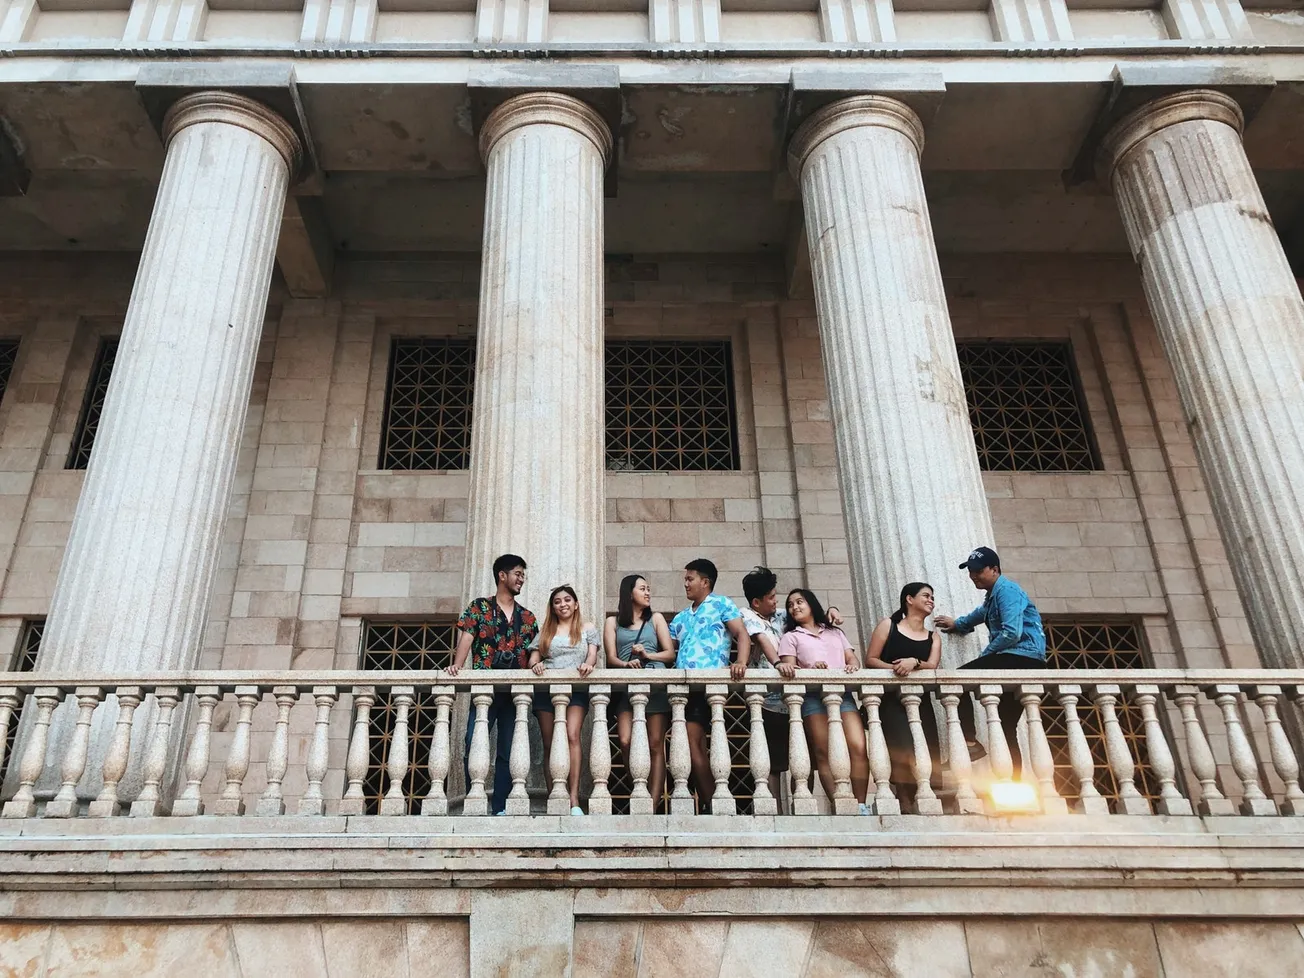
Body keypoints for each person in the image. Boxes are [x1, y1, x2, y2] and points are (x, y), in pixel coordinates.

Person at [934, 546, 1047, 778]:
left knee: (958, 679)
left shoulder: (1008, 591)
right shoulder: (994, 595)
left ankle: (970, 741)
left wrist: (987, 656)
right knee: (1006, 727)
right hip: (1017, 659)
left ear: (994, 569)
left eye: (978, 570)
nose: (973, 576)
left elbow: (1011, 633)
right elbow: (980, 613)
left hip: (1022, 657)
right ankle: (1015, 784)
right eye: (970, 571)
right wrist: (959, 623)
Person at [449, 553, 537, 816]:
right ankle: (473, 800)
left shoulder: (528, 617)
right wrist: (457, 665)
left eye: (523, 574)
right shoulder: (479, 607)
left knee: (509, 751)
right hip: (484, 691)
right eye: (517, 573)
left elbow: (534, 650)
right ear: (502, 575)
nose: (521, 579)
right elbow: (466, 638)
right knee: (472, 742)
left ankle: (500, 806)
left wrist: (536, 665)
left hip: (514, 693)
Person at [668, 558, 750, 813]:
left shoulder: (722, 603)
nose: (686, 584)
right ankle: (711, 803)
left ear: (705, 582)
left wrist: (741, 662)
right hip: (685, 688)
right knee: (692, 747)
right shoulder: (681, 617)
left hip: (713, 686)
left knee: (714, 744)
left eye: (690, 579)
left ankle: (716, 804)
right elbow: (668, 650)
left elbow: (742, 635)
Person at [778, 588, 871, 814]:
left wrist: (852, 666)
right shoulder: (791, 636)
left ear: (811, 604)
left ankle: (860, 805)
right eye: (791, 605)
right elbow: (791, 668)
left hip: (843, 695)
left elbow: (852, 658)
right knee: (823, 750)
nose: (795, 607)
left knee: (858, 746)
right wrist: (811, 668)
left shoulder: (834, 632)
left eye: (800, 602)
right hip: (812, 697)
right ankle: (840, 803)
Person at [865, 582, 942, 811]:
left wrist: (914, 663)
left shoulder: (933, 637)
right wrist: (894, 668)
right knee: (900, 748)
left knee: (924, 748)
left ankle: (925, 797)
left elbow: (933, 666)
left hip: (921, 702)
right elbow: (871, 659)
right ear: (909, 599)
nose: (931, 600)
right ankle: (905, 801)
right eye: (925, 596)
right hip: (892, 701)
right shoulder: (888, 625)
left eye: (932, 597)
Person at [606, 574, 675, 811]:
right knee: (625, 740)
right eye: (643, 589)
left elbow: (670, 654)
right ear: (629, 593)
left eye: (649, 589)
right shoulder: (613, 622)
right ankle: (639, 788)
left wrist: (648, 655)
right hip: (627, 686)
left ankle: (653, 803)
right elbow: (611, 658)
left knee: (655, 744)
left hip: (654, 683)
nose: (648, 593)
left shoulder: (655, 619)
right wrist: (626, 664)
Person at [528, 584, 600, 816]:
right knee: (550, 742)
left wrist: (589, 664)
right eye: (557, 601)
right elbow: (533, 659)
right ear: (553, 607)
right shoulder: (546, 630)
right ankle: (555, 795)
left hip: (576, 689)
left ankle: (573, 798)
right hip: (546, 690)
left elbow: (592, 655)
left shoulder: (587, 628)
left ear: (576, 603)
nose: (563, 604)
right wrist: (536, 665)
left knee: (572, 736)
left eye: (567, 600)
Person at [739, 567, 795, 805]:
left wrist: (830, 612)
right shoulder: (746, 614)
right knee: (771, 762)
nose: (776, 600)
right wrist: (778, 663)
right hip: (768, 700)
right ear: (756, 601)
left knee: (801, 760)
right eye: (771, 597)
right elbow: (761, 638)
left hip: (795, 696)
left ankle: (801, 809)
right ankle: (775, 810)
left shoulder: (783, 615)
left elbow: (810, 614)